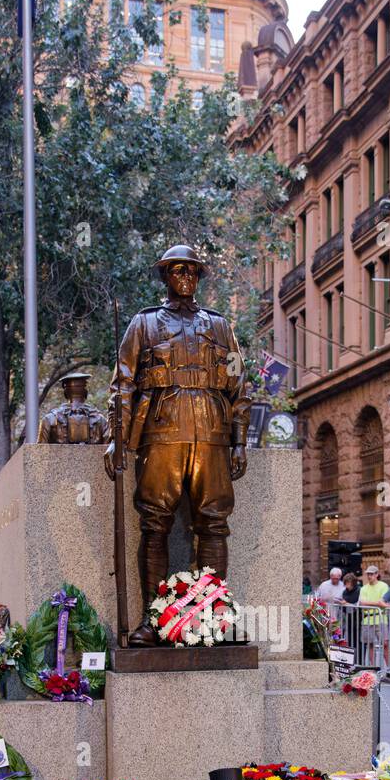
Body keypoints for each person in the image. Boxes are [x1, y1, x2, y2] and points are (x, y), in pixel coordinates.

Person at [106, 243, 251, 646]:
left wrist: (239, 441)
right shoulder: (144, 323)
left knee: (214, 523)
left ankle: (211, 619)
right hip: (162, 429)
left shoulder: (221, 326)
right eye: (177, 270)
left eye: (192, 271)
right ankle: (153, 621)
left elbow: (239, 385)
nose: (186, 276)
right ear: (165, 276)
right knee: (154, 523)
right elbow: (123, 383)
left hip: (211, 432)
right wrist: (117, 440)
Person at [358, 564, 389, 668]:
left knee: (385, 643)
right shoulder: (364, 588)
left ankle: (389, 669)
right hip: (367, 620)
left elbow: (383, 601)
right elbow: (362, 603)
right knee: (370, 645)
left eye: (371, 574)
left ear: (377, 574)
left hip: (381, 618)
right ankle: (373, 667)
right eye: (368, 574)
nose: (369, 576)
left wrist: (370, 603)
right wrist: (377, 604)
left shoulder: (383, 585)